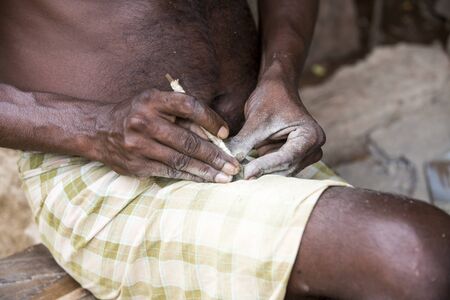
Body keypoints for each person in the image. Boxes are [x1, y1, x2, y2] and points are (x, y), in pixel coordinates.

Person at [1, 1, 449, 299]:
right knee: (414, 256)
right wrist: (95, 127)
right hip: (107, 172)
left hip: (252, 142)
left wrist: (279, 75)